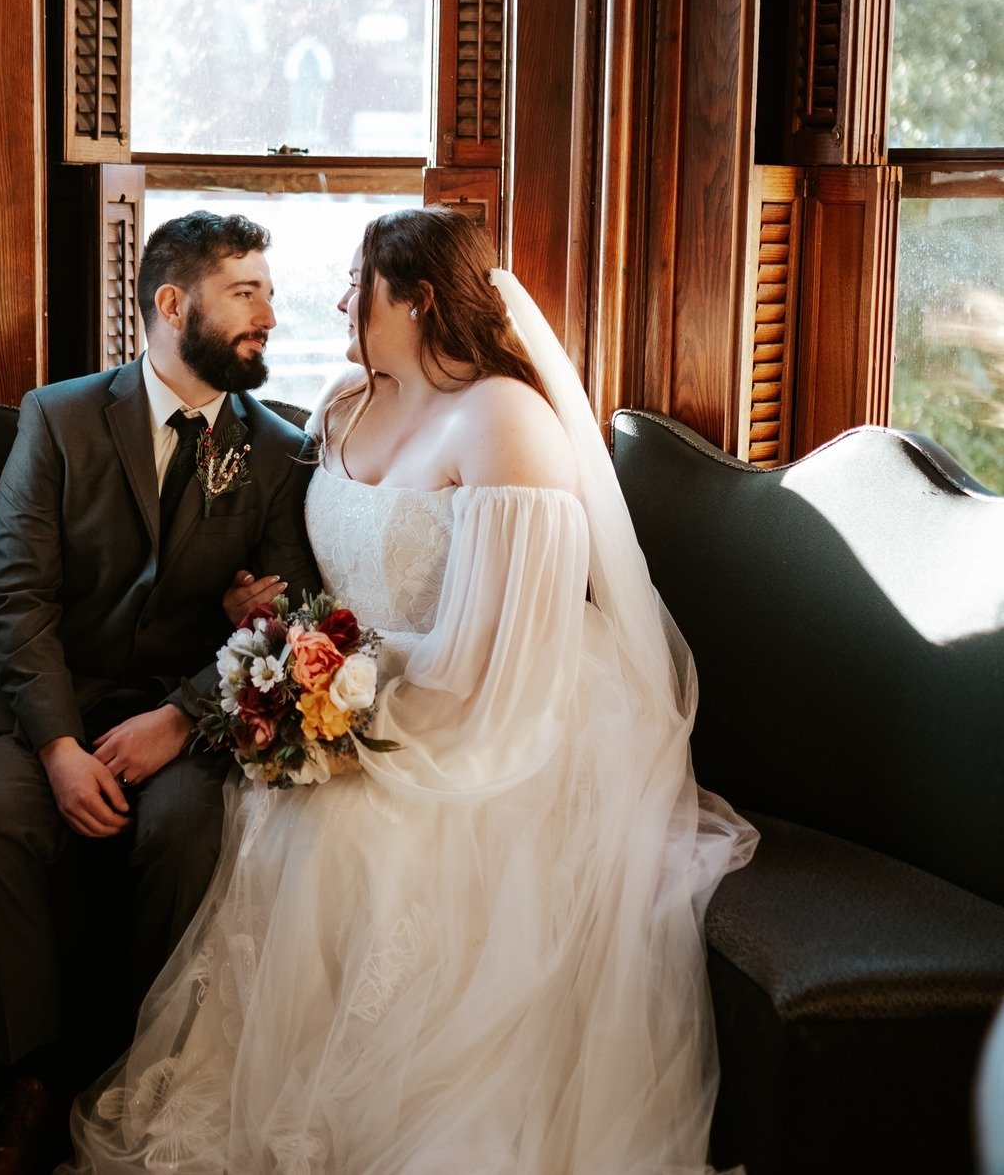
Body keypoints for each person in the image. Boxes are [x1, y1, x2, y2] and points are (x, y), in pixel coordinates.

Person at [63, 206, 758, 1175]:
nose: (343, 301)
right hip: (361, 686)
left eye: (360, 282)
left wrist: (338, 725)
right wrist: (266, 618)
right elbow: (325, 574)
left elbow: (492, 662)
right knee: (273, 803)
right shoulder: (348, 397)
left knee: (341, 831)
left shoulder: (505, 425)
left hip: (493, 711)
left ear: (419, 298)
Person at [0, 211, 323, 1175]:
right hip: (46, 695)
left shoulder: (279, 452)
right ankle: (27, 1082)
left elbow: (285, 615)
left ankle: (139, 1075)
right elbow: (15, 592)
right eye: (247, 293)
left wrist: (181, 715)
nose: (269, 316)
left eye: (269, 295)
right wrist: (60, 747)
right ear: (171, 303)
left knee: (188, 833)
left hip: (184, 712)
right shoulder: (59, 415)